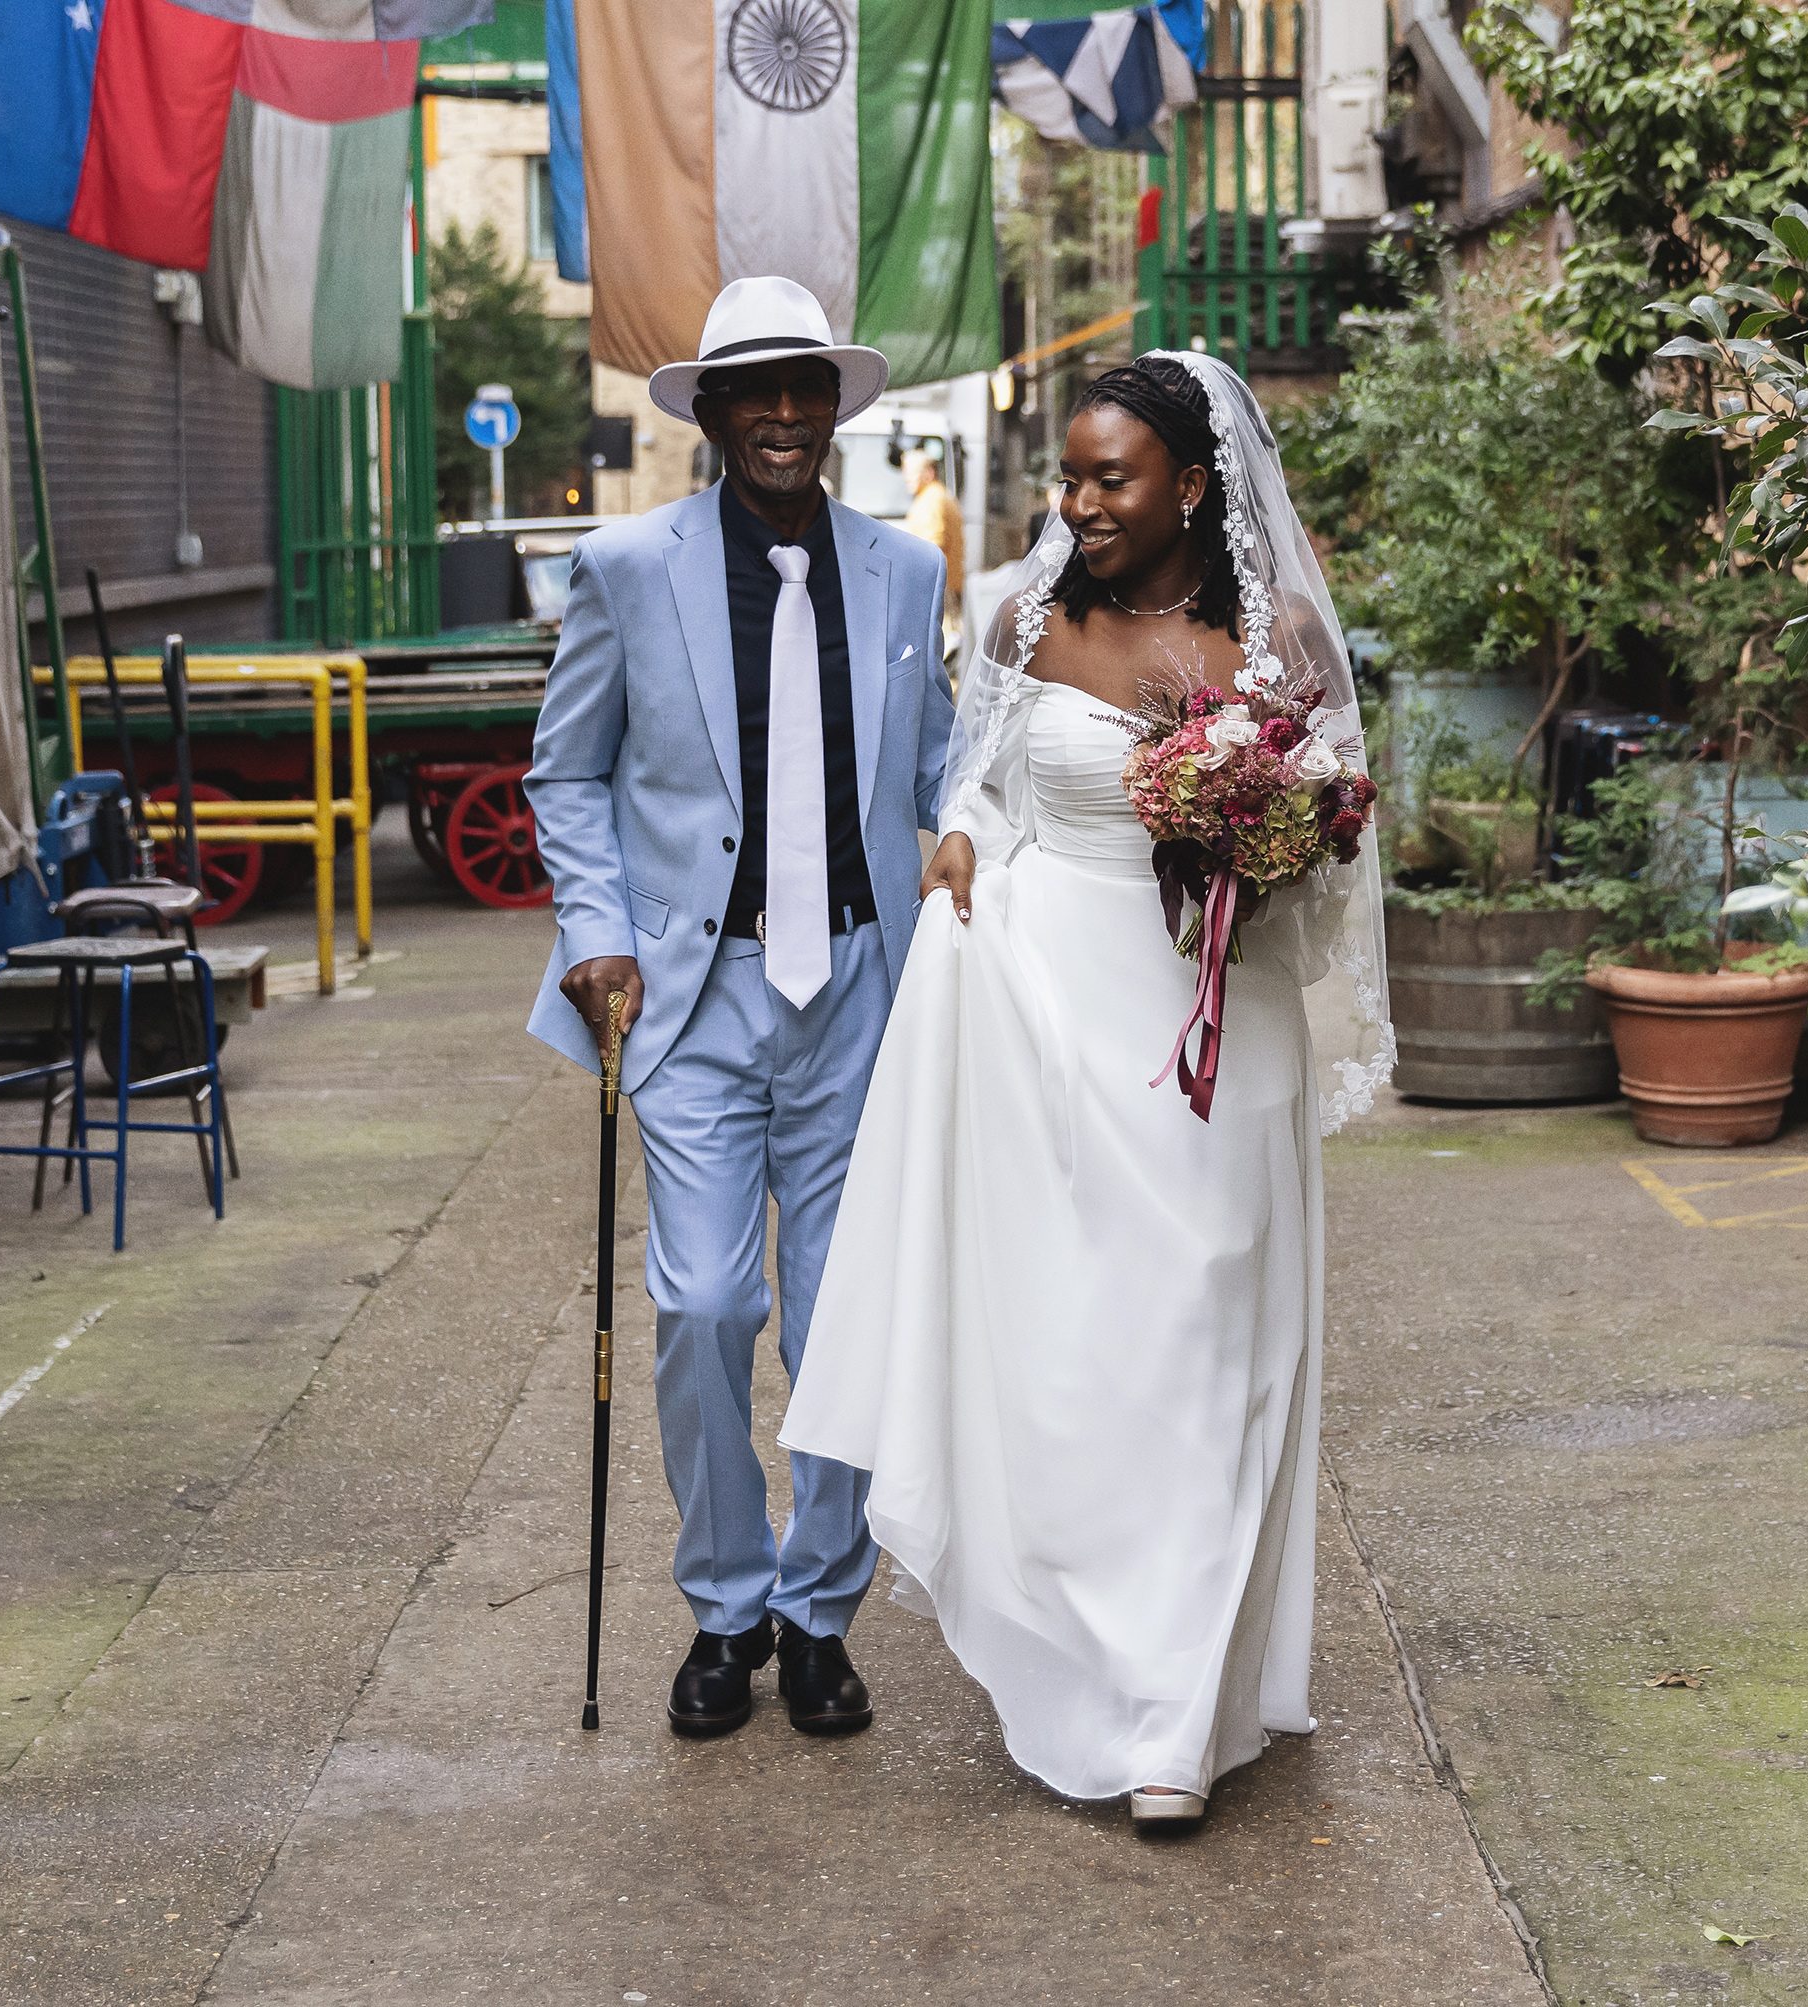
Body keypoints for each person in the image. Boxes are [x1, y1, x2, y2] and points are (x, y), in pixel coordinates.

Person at [779, 353, 1393, 1830]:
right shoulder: (1023, 617)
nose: (1079, 502)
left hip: (1209, 1032)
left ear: (1191, 485)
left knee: (1205, 1347)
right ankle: (1088, 1657)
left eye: (1110, 477)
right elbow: (979, 787)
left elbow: (1330, 872)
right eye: (1070, 475)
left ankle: (1178, 1711)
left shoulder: (1278, 640)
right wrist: (959, 841)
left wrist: (1264, 834)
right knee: (1071, 1363)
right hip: (1039, 1018)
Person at [525, 275, 954, 1740]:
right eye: (752, 390)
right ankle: (725, 1599)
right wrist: (593, 929)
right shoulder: (626, 567)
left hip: (856, 990)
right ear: (707, 412)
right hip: (693, 996)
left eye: (806, 387)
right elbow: (566, 771)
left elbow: (933, 774)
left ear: (837, 404)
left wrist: (968, 869)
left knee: (844, 1319)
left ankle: (819, 1607)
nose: (782, 414)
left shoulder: (905, 576)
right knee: (706, 1301)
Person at [899, 446, 966, 644]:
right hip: (943, 585)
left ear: (928, 473)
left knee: (941, 648)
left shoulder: (932, 499)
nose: (907, 479)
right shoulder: (936, 496)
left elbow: (933, 544)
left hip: (935, 588)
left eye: (912, 473)